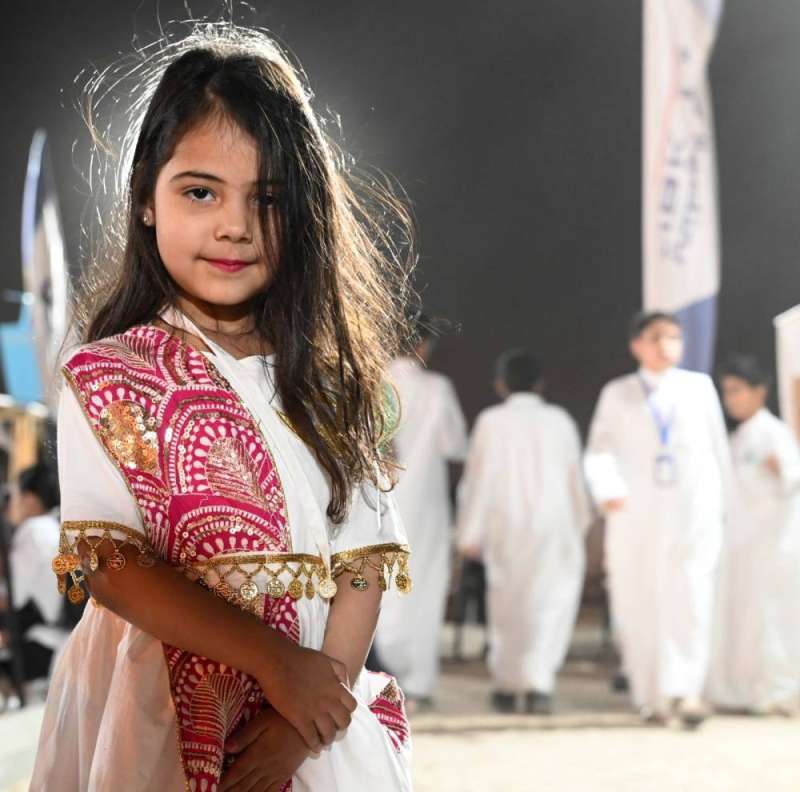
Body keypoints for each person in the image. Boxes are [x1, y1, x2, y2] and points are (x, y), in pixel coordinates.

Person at [32, 24, 415, 791]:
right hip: (154, 717)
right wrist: (276, 663)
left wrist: (308, 717)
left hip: (312, 719)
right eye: (200, 192)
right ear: (146, 198)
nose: (234, 225)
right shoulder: (110, 376)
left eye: (267, 198)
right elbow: (112, 565)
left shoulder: (331, 382)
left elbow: (363, 564)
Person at [584, 311, 730, 727]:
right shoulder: (618, 393)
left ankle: (685, 691)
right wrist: (607, 489)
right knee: (637, 598)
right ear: (637, 345)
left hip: (691, 512)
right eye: (656, 337)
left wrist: (723, 507)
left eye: (674, 337)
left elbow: (718, 450)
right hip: (636, 514)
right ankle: (650, 694)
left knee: (691, 597)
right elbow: (599, 450)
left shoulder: (698, 388)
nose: (666, 345)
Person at [457, 349, 590, 713]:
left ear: (501, 385)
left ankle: (508, 682)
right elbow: (575, 477)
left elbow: (477, 481)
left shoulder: (490, 421)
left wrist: (470, 533)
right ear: (540, 384)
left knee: (507, 604)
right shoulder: (560, 421)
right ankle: (539, 683)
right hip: (554, 525)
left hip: (506, 525)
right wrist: (581, 521)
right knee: (551, 601)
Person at [375, 316, 468, 709]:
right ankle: (418, 682)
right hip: (425, 504)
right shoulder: (436, 387)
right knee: (424, 586)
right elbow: (455, 445)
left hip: (377, 501)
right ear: (423, 345)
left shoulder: (370, 380)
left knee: (378, 587)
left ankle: (379, 675)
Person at [706, 355, 800, 715]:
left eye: (737, 390)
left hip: (771, 547)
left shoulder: (773, 432)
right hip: (741, 547)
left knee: (770, 621)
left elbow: (793, 478)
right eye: (726, 391)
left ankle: (776, 692)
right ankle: (742, 690)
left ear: (759, 392)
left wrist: (781, 470)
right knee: (741, 620)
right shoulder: (736, 437)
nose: (730, 399)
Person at [0, 463, 62, 683]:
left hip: (45, 643)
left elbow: (11, 597)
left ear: (30, 499)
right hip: (60, 635)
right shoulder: (55, 524)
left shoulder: (33, 531)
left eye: (17, 495)